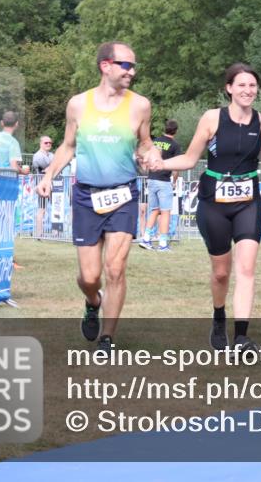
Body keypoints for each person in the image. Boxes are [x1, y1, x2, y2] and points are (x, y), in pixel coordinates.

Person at [36, 42, 160, 353]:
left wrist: (151, 155)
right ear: (106, 66)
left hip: (123, 194)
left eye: (134, 66)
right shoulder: (78, 104)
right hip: (86, 196)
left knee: (115, 268)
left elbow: (145, 143)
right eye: (126, 65)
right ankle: (93, 301)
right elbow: (67, 145)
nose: (132, 71)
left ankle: (107, 338)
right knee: (90, 277)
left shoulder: (140, 105)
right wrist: (49, 175)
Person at [153, 63, 261, 352]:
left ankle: (242, 338)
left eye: (252, 85)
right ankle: (219, 314)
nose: (248, 90)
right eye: (242, 85)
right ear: (229, 88)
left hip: (249, 202)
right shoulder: (212, 118)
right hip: (214, 204)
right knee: (221, 273)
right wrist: (161, 163)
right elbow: (189, 158)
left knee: (246, 268)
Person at [140, 119, 182, 252]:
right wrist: (174, 182)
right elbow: (176, 167)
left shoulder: (155, 141)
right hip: (164, 181)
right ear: (175, 131)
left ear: (165, 128)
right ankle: (163, 243)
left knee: (154, 210)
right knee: (165, 212)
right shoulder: (175, 145)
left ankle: (146, 238)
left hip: (151, 179)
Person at [32, 136, 54, 238]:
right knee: (42, 209)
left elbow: (59, 166)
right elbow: (45, 167)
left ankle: (56, 232)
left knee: (56, 207)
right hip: (42, 186)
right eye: (46, 142)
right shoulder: (37, 155)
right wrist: (53, 167)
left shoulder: (52, 155)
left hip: (53, 184)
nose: (48, 144)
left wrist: (52, 167)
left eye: (50, 143)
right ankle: (39, 233)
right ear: (41, 143)